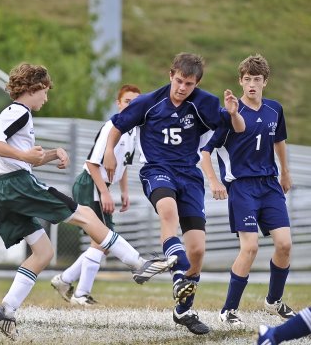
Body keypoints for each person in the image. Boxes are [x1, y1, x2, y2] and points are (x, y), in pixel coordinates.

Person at [0, 63, 177, 340]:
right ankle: (138, 263)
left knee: (44, 253)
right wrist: (26, 158)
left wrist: (51, 154)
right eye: (45, 92)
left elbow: (19, 153)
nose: (46, 98)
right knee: (84, 213)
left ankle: (6, 311)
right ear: (32, 88)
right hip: (14, 185)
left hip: (2, 188)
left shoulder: (18, 115)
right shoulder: (18, 111)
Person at [103, 53, 245, 335]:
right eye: (179, 81)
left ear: (197, 83)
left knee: (197, 250)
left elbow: (237, 129)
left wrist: (233, 113)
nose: (182, 87)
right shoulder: (148, 102)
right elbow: (117, 126)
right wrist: (109, 152)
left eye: (189, 84)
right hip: (157, 170)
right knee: (168, 211)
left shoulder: (204, 103)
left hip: (190, 176)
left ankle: (183, 310)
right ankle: (177, 264)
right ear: (171, 75)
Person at [201, 54, 296, 329]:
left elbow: (279, 141)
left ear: (265, 82)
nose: (252, 84)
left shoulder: (275, 109)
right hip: (242, 187)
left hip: (269, 184)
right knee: (250, 247)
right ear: (240, 82)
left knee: (285, 244)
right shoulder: (231, 113)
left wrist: (286, 172)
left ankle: (273, 301)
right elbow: (205, 151)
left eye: (257, 79)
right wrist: (214, 181)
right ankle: (228, 310)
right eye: (247, 79)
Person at [51, 84, 141, 306]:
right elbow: (92, 164)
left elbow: (123, 164)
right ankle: (80, 293)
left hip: (102, 186)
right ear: (118, 103)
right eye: (128, 101)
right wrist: (104, 192)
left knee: (104, 243)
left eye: (136, 102)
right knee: (102, 240)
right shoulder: (112, 125)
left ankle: (64, 280)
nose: (132, 106)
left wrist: (124, 191)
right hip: (90, 183)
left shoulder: (132, 131)